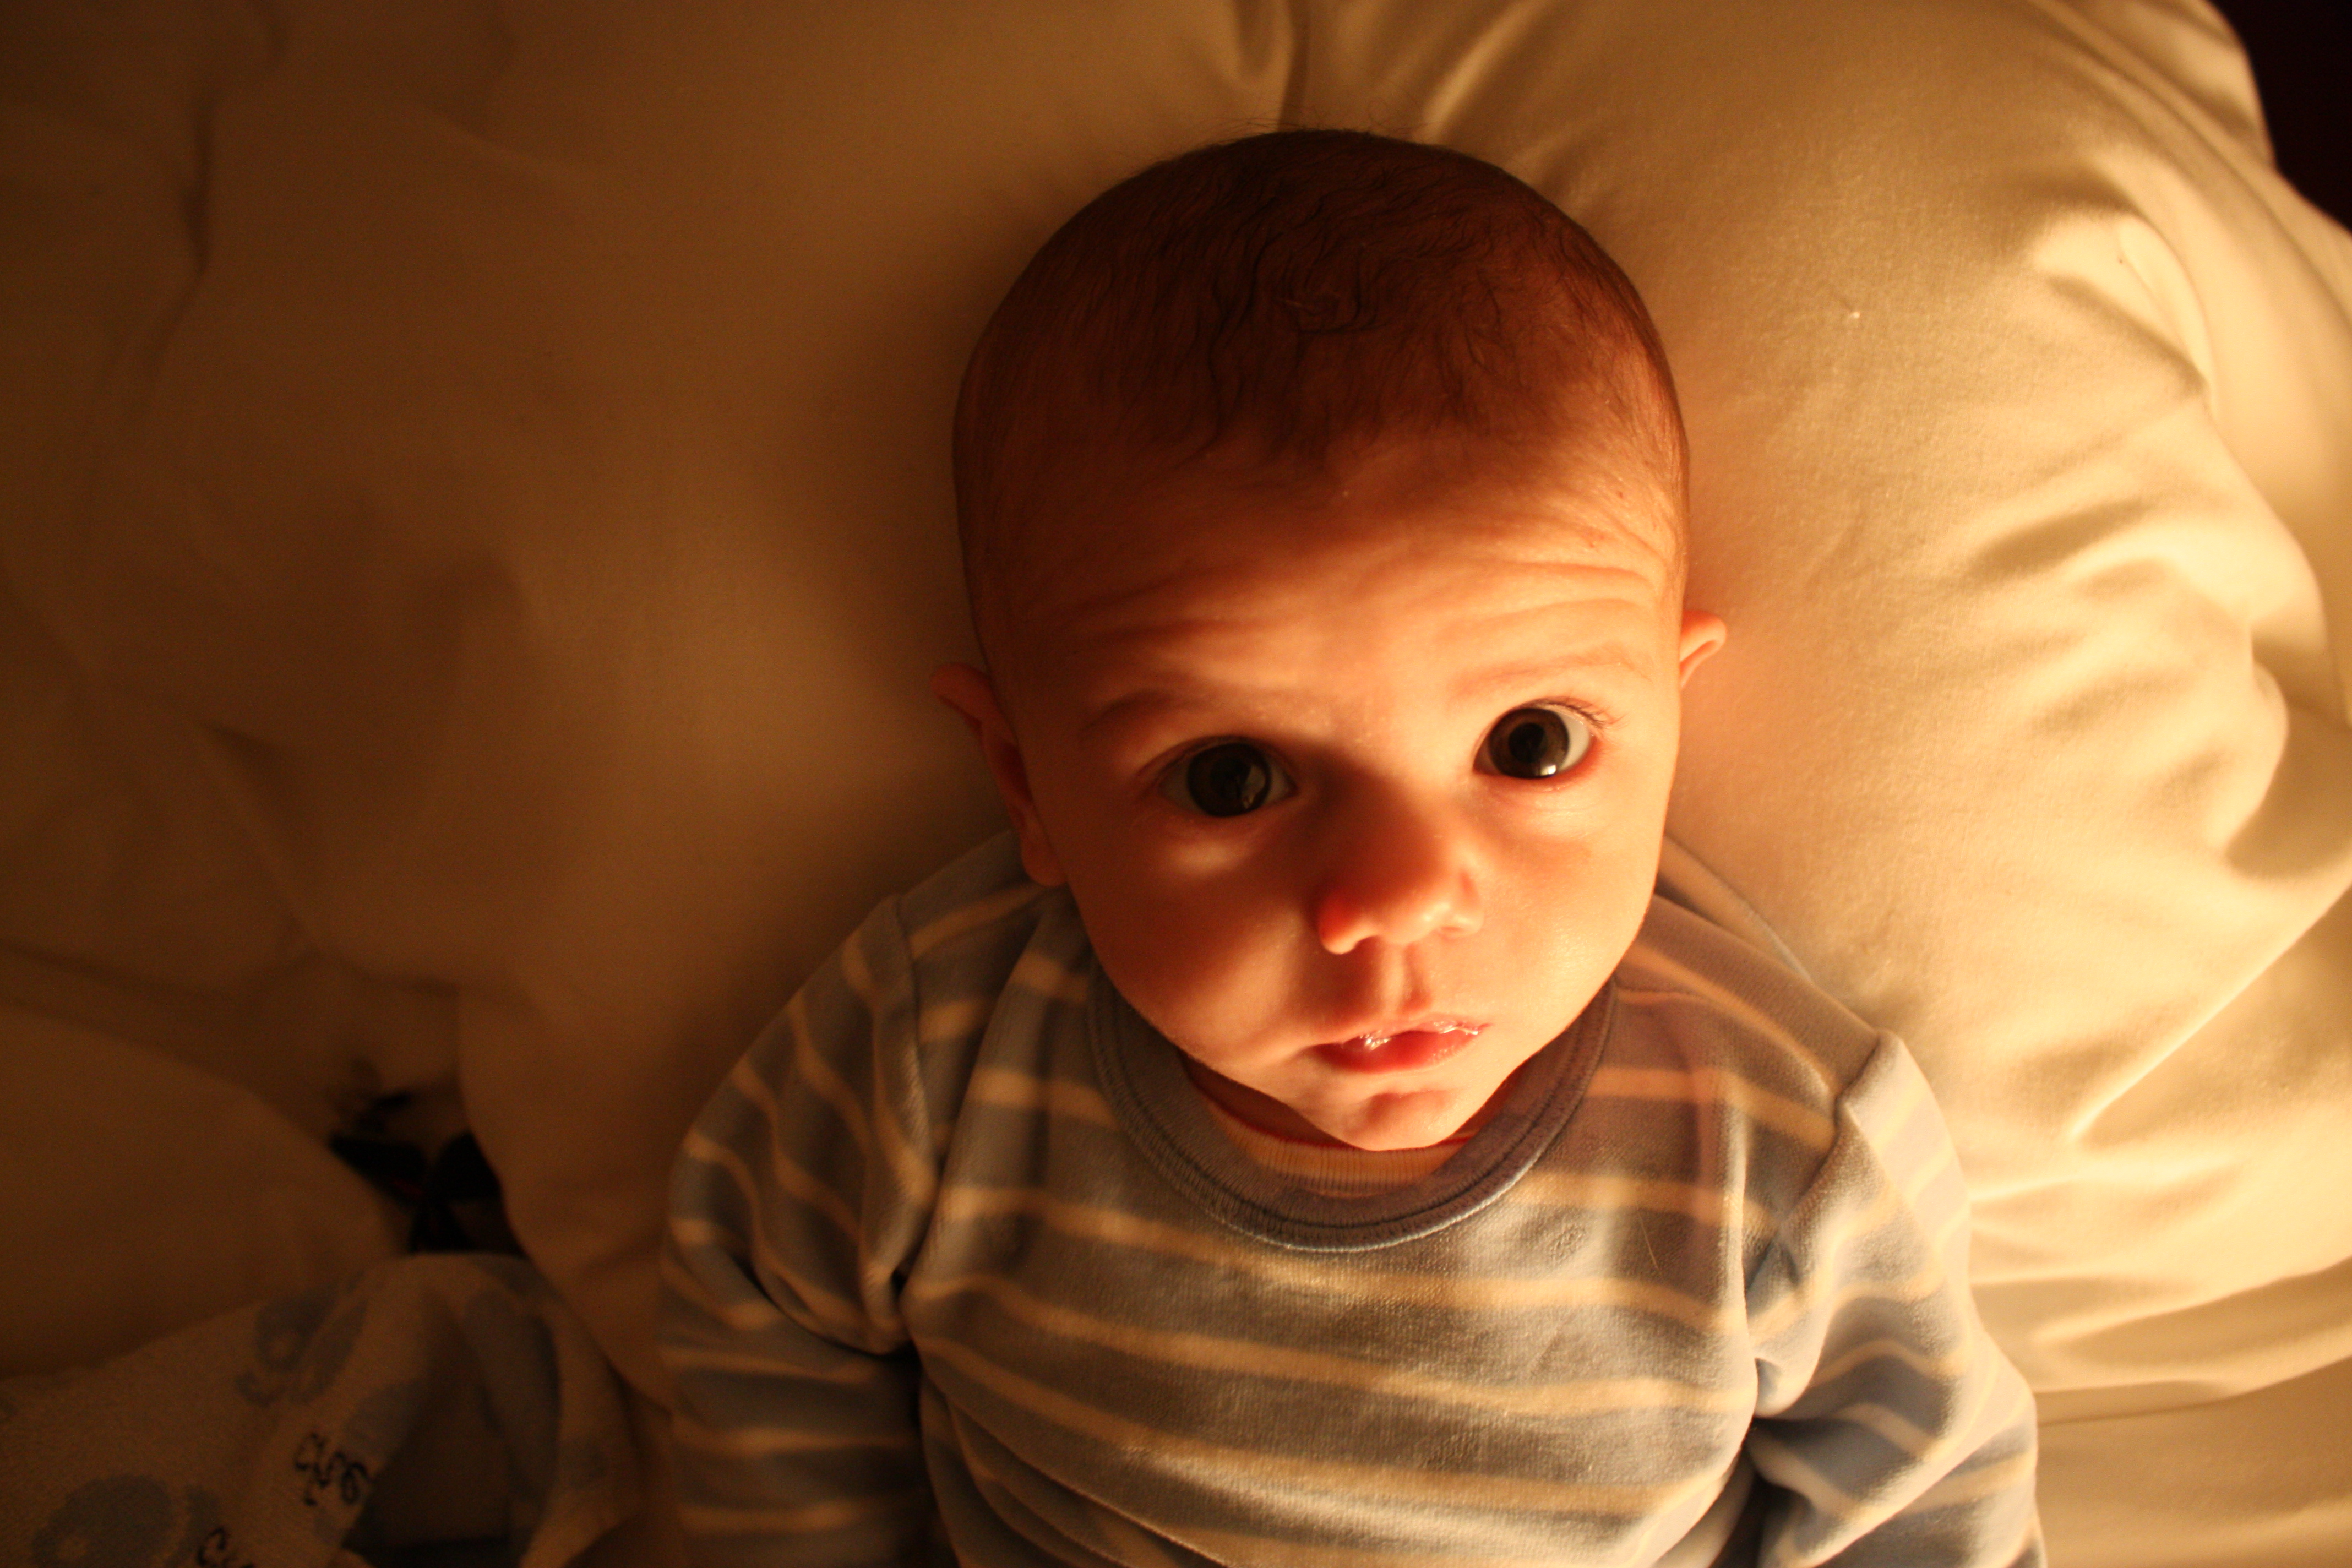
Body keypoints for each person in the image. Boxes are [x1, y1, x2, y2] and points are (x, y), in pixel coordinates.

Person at [660, 129, 2042, 1566]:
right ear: (1027, 786)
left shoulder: (1779, 1140)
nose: (1397, 901)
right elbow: (764, 1311)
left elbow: (1924, 1500)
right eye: (1232, 779)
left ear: (1669, 718)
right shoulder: (935, 1058)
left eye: (1532, 745)